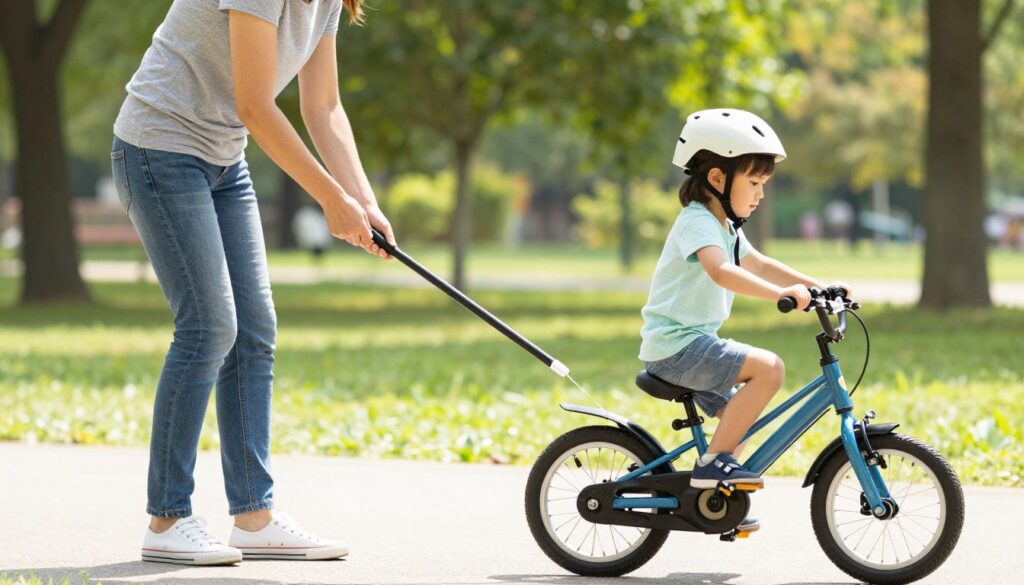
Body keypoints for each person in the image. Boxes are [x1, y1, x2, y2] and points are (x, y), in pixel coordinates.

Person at [109, 0, 395, 565]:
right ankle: (167, 519)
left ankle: (254, 517)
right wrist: (330, 199)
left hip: (222, 158)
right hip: (159, 147)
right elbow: (255, 105)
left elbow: (325, 105)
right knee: (210, 327)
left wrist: (364, 200)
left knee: (254, 329)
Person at [637, 108, 850, 534]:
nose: (760, 194)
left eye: (764, 185)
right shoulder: (697, 221)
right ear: (717, 179)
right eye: (753, 183)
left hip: (690, 344)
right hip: (677, 348)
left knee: (743, 421)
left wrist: (821, 287)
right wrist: (782, 296)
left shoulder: (725, 225)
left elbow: (758, 262)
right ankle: (713, 469)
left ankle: (718, 502)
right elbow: (722, 271)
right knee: (769, 368)